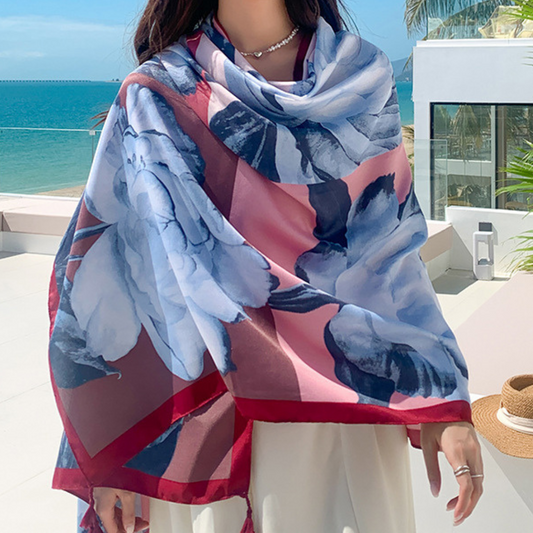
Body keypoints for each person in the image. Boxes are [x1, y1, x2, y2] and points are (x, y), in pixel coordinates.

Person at [47, 0, 484, 532]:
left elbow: (389, 249)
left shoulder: (360, 78)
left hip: (344, 403)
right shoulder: (156, 95)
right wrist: (112, 446)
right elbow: (113, 272)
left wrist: (442, 392)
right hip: (206, 413)